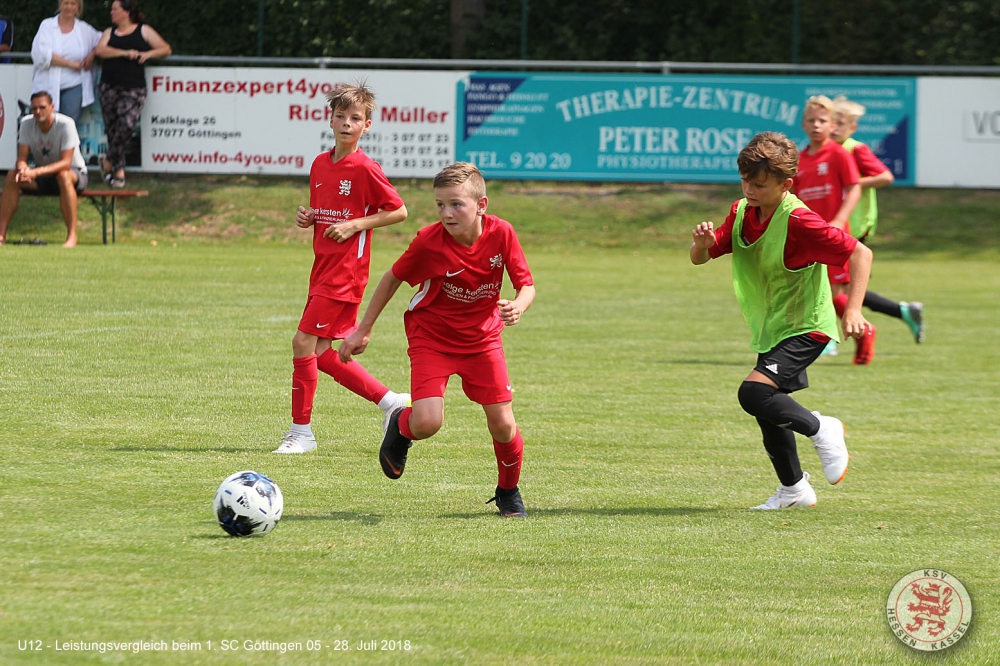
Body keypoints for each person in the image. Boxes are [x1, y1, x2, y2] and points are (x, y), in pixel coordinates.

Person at [339, 162, 536, 518]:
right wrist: (364, 327)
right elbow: (392, 278)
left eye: (456, 204)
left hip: (483, 339)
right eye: (440, 205)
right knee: (428, 423)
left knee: (504, 424)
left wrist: (519, 306)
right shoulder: (429, 241)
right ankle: (401, 423)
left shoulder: (502, 234)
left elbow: (527, 285)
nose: (447, 213)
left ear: (482, 205)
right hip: (432, 336)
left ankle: (508, 492)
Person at [690, 131, 873, 510]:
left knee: (753, 394)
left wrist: (853, 309)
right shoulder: (742, 211)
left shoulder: (801, 221)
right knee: (768, 407)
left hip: (808, 325)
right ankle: (794, 490)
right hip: (775, 326)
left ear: (785, 184)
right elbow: (701, 258)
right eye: (744, 181)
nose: (749, 190)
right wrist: (703, 244)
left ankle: (823, 428)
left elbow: (860, 253)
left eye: (758, 184)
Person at [273, 82, 410, 455]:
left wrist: (355, 225)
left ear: (367, 126)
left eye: (355, 118)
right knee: (319, 354)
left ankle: (301, 433)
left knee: (302, 343)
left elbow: (398, 211)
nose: (347, 123)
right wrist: (309, 216)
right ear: (330, 119)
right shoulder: (320, 163)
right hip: (322, 268)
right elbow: (325, 211)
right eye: (341, 116)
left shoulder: (366, 167)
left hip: (346, 273)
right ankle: (390, 402)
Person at [831, 95, 925, 344]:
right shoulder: (827, 151)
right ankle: (902, 311)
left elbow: (885, 176)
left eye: (841, 123)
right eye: (833, 122)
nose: (834, 128)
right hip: (834, 224)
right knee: (844, 289)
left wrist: (850, 182)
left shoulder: (855, 149)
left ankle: (829, 339)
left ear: (853, 127)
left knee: (831, 287)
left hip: (853, 226)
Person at [792, 94, 876, 365]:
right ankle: (850, 331)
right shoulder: (800, 160)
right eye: (811, 120)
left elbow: (853, 189)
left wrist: (839, 220)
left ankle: (855, 331)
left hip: (834, 234)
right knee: (817, 291)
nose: (817, 125)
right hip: (808, 235)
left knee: (831, 292)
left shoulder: (839, 154)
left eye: (822, 121)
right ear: (803, 124)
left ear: (832, 125)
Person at [95, 0, 171, 189]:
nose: (111, 13)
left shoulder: (143, 31)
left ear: (126, 12)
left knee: (127, 124)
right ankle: (119, 172)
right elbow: (100, 50)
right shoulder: (108, 33)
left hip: (134, 87)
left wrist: (149, 54)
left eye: (115, 9)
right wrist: (124, 53)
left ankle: (108, 161)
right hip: (108, 86)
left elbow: (165, 49)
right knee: (113, 129)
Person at [0, 91, 88, 247]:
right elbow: (22, 158)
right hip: (43, 177)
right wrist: (23, 169)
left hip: (75, 174)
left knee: (63, 176)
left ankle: (72, 236)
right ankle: (1, 235)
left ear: (52, 107)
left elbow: (66, 163)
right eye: (34, 108)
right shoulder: (27, 123)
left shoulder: (66, 124)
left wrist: (34, 172)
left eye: (42, 107)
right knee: (12, 176)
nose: (38, 112)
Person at [30, 0, 101, 125]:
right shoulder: (47, 25)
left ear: (78, 6)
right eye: (66, 3)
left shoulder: (84, 29)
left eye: (73, 4)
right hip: (47, 86)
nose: (69, 7)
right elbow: (42, 55)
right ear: (60, 4)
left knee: (68, 127)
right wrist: (71, 64)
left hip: (75, 85)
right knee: (45, 126)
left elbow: (102, 40)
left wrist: (92, 54)